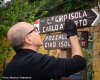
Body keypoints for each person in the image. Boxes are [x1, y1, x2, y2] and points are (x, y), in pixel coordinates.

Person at [2, 19, 86, 80]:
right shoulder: (38, 62)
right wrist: (72, 35)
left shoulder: (7, 70)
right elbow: (79, 63)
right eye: (35, 30)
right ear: (28, 39)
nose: (38, 32)